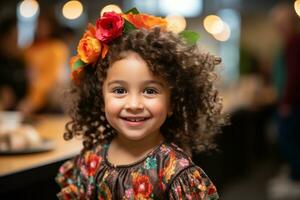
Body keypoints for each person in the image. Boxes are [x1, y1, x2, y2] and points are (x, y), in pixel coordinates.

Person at [56, 9, 224, 199]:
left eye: (150, 91)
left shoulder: (176, 172)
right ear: (100, 98)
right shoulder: (90, 161)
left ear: (172, 103)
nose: (134, 104)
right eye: (119, 91)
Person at [268, 2, 300, 199]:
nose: (278, 28)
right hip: (289, 102)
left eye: (281, 24)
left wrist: (287, 102)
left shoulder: (295, 43)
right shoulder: (289, 43)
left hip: (293, 104)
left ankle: (297, 179)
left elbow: (295, 76)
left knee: (288, 139)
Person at [19, 11, 69, 115]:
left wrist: (33, 101)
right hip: (27, 96)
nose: (40, 28)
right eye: (38, 24)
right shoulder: (29, 48)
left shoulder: (57, 48)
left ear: (52, 27)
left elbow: (51, 78)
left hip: (47, 100)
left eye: (44, 25)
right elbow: (28, 75)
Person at [0, 16, 28, 110]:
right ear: (3, 38)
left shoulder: (19, 62)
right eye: (13, 38)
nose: (16, 43)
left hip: (20, 113)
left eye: (17, 38)